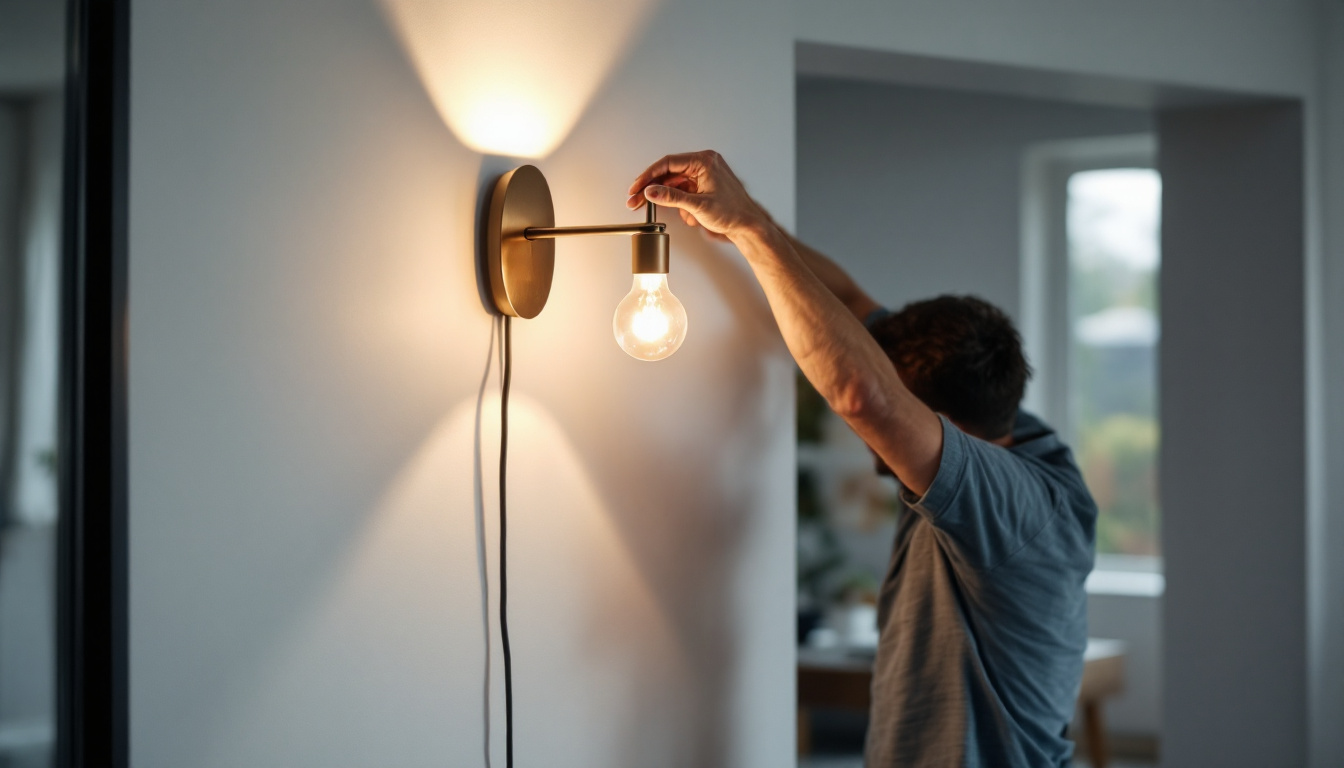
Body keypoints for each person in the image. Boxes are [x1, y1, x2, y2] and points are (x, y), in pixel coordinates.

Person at [627, 151, 1097, 767]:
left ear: (941, 427)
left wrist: (753, 230)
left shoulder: (1017, 506)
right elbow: (843, 298)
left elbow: (865, 396)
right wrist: (740, 215)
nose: (871, 448)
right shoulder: (1000, 417)